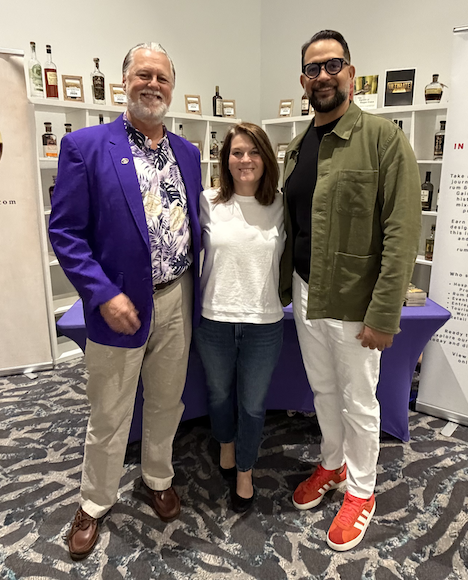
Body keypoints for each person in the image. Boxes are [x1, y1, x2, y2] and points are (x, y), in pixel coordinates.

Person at [48, 42, 202, 560]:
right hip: (118, 305)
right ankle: (93, 502)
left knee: (166, 401)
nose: (152, 84)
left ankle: (158, 476)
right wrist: (102, 292)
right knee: (109, 412)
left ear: (171, 87)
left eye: (161, 76)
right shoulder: (85, 146)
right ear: (124, 82)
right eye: (143, 75)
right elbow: (66, 232)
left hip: (177, 296)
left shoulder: (188, 153)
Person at [280, 30, 421, 551]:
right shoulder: (297, 145)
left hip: (355, 299)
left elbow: (403, 231)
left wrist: (383, 312)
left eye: (333, 65)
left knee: (360, 400)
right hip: (306, 293)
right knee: (322, 390)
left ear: (351, 74)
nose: (323, 76)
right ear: (303, 81)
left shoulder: (383, 138)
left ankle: (362, 491)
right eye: (313, 69)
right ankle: (334, 465)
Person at [193, 123, 284, 513]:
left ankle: (244, 470)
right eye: (236, 152)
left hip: (264, 323)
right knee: (219, 395)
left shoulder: (281, 204)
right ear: (225, 159)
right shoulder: (207, 200)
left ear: (266, 158)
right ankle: (226, 445)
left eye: (253, 152)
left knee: (252, 404)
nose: (245, 160)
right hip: (213, 319)